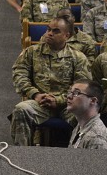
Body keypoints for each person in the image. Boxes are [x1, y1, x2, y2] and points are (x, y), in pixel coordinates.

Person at [11, 17, 91, 146]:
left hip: (68, 105)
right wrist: (35, 94)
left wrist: (59, 100)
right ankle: (21, 155)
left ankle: (78, 157)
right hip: (40, 103)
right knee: (21, 109)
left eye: (55, 31)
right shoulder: (32, 52)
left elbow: (82, 88)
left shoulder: (78, 57)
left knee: (86, 115)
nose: (49, 33)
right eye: (48, 29)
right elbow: (19, 74)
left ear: (67, 35)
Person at [66, 79, 107, 149]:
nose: (69, 96)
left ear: (93, 101)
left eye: (76, 93)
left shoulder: (96, 138)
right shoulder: (80, 126)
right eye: (70, 92)